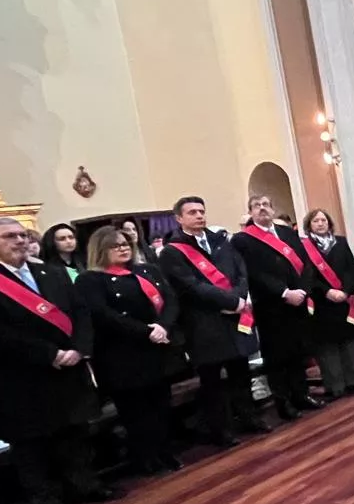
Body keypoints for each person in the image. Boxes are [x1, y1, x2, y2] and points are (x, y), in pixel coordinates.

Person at [0, 218, 115, 504]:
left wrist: (79, 349)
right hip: (23, 376)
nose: (19, 241)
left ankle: (85, 485)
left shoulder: (53, 273)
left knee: (74, 433)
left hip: (69, 367)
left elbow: (80, 312)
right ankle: (47, 503)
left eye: (22, 235)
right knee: (33, 445)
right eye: (9, 236)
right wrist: (50, 354)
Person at [156, 196, 267, 444]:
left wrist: (238, 298)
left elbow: (240, 272)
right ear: (179, 218)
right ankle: (221, 430)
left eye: (201, 211)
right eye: (192, 212)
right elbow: (191, 286)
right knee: (213, 382)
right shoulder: (172, 252)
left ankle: (249, 417)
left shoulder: (221, 241)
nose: (199, 216)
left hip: (235, 319)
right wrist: (230, 302)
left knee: (240, 373)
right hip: (204, 324)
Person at [76, 227, 181, 475]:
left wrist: (163, 326)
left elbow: (170, 300)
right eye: (115, 245)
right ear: (101, 250)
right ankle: (145, 457)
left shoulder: (147, 271)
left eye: (125, 244)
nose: (123, 248)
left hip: (157, 347)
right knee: (136, 411)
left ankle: (164, 452)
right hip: (122, 354)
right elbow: (103, 314)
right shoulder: (90, 279)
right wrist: (146, 331)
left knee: (160, 405)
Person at [233, 193, 324, 419]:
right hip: (271, 307)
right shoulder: (242, 240)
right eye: (256, 206)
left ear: (273, 209)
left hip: (298, 303)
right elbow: (253, 273)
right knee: (277, 357)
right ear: (250, 212)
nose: (262, 208)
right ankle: (284, 403)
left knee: (298, 352)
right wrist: (284, 292)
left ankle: (301, 395)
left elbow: (305, 264)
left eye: (266, 204)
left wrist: (302, 290)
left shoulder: (287, 233)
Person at [299, 208, 354, 399]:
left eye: (323, 220)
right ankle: (335, 386)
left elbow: (351, 269)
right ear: (309, 225)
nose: (320, 224)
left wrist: (345, 290)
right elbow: (307, 276)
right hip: (322, 303)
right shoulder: (304, 247)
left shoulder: (341, 242)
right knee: (327, 347)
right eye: (316, 221)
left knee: (349, 343)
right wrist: (326, 291)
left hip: (344, 301)